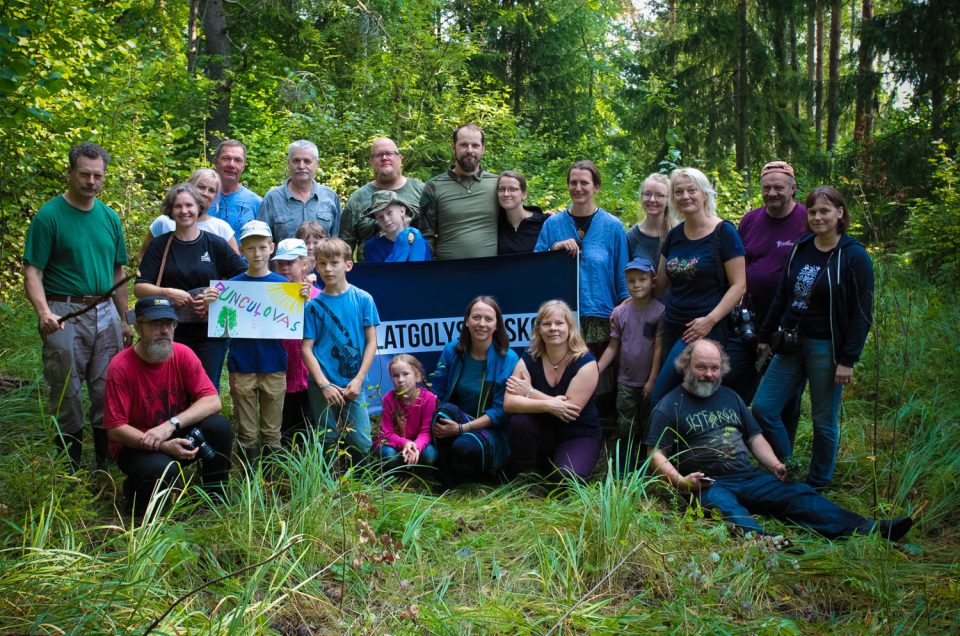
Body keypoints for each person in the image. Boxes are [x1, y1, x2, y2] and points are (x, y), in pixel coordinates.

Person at [647, 339, 912, 542]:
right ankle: (763, 542)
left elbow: (755, 437)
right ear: (686, 366)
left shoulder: (730, 396)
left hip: (748, 476)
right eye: (701, 367)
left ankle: (867, 529)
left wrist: (774, 465)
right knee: (724, 507)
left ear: (722, 369)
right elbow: (655, 453)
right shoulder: (670, 405)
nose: (708, 374)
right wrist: (682, 482)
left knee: (798, 494)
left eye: (714, 368)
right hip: (707, 482)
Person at [752, 186, 874, 490]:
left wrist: (848, 359)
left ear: (840, 213)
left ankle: (819, 483)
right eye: (814, 211)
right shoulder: (802, 246)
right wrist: (766, 335)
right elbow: (783, 295)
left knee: (823, 420)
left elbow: (862, 313)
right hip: (790, 343)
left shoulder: (854, 256)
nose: (818, 217)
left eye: (825, 211)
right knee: (763, 408)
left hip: (826, 348)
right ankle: (788, 466)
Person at [23, 142, 132, 470]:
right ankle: (68, 470)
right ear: (70, 172)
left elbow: (118, 271)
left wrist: (126, 319)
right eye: (84, 174)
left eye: (98, 176)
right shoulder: (49, 216)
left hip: (105, 311)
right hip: (64, 312)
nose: (91, 182)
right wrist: (44, 313)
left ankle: (105, 464)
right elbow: (33, 271)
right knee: (66, 389)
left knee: (106, 387)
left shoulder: (110, 217)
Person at [104, 296, 233, 515]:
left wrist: (171, 425)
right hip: (136, 444)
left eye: (169, 323)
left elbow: (213, 400)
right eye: (155, 324)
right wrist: (161, 444)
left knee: (218, 427)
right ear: (139, 327)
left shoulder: (183, 354)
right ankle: (138, 497)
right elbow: (115, 430)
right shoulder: (121, 367)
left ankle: (214, 496)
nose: (164, 330)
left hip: (172, 431)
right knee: (163, 470)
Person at [534, 160, 629, 414]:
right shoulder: (552, 225)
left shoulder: (612, 227)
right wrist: (554, 249)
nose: (578, 188)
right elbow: (534, 266)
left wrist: (622, 310)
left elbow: (622, 275)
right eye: (573, 182)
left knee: (598, 379)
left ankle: (598, 432)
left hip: (600, 314)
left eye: (584, 182)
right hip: (562, 316)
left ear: (596, 187)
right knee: (563, 374)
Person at [649, 167, 746, 405]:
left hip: (705, 327)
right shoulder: (674, 235)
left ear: (704, 194)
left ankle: (658, 442)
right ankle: (683, 442)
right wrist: (630, 298)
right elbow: (659, 284)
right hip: (673, 325)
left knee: (660, 395)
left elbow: (739, 285)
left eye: (692, 190)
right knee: (683, 394)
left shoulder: (724, 232)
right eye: (679, 191)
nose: (685, 196)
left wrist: (710, 321)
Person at [135, 183, 247, 390]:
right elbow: (140, 288)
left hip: (210, 332)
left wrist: (216, 295)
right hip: (169, 331)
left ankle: (204, 422)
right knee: (172, 385)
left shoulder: (215, 243)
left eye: (189, 205)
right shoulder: (160, 245)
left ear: (199, 208)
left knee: (206, 385)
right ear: (170, 209)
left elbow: (244, 278)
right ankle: (176, 423)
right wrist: (166, 293)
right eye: (178, 206)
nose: (184, 211)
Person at [205, 220, 289, 465]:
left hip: (274, 365)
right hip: (242, 365)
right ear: (241, 250)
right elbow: (221, 329)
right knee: (247, 432)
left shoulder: (283, 287)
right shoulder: (230, 289)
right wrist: (212, 303)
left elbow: (294, 325)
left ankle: (272, 481)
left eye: (262, 247)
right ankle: (248, 483)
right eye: (250, 248)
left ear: (271, 247)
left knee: (273, 431)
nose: (257, 253)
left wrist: (303, 300)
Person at [725, 160, 809, 404]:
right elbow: (738, 265)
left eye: (779, 187)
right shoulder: (750, 220)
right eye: (766, 188)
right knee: (732, 385)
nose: (772, 193)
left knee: (785, 402)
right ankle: (736, 439)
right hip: (749, 321)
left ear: (792, 188)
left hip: (790, 325)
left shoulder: (807, 220)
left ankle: (779, 443)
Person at [504, 300, 601, 481]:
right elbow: (509, 403)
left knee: (565, 479)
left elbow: (569, 411)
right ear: (539, 329)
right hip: (543, 434)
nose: (553, 328)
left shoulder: (586, 363)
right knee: (519, 421)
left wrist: (530, 392)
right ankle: (527, 475)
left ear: (570, 327)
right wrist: (549, 406)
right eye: (547, 324)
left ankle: (561, 465)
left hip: (577, 434)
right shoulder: (530, 358)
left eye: (559, 323)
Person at [302, 238, 381, 457]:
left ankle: (363, 488)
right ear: (316, 266)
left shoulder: (363, 299)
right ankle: (328, 487)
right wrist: (324, 384)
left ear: (348, 264)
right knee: (326, 438)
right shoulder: (312, 306)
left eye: (334, 262)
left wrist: (359, 379)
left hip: (353, 384)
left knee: (361, 441)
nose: (328, 268)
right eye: (322, 263)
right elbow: (306, 348)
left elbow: (371, 342)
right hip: (323, 383)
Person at [430, 296, 519, 486]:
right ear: (467, 321)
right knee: (441, 412)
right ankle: (445, 478)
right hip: (457, 418)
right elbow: (437, 391)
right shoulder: (451, 350)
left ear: (497, 325)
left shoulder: (508, 358)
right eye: (476, 317)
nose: (482, 324)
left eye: (489, 319)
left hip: (489, 429)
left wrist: (463, 428)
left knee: (465, 445)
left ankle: (483, 479)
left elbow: (501, 411)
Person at [597, 257, 665, 469]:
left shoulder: (659, 311)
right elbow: (612, 346)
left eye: (642, 279)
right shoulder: (620, 313)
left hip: (647, 382)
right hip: (625, 381)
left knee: (648, 423)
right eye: (631, 281)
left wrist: (653, 379)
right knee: (626, 424)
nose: (636, 284)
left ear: (653, 281)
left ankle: (648, 465)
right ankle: (625, 464)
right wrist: (596, 369)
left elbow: (658, 348)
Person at [419, 124, 499, 260]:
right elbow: (426, 236)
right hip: (448, 274)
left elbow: (518, 222)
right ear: (453, 147)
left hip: (492, 272)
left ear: (483, 149)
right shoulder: (433, 187)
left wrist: (544, 218)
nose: (469, 150)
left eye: (475, 145)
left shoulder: (499, 184)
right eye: (463, 145)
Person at [342, 137, 425, 261]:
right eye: (379, 155)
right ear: (371, 161)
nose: (384, 158)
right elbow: (344, 246)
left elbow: (434, 236)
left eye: (389, 153)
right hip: (371, 275)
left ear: (400, 158)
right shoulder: (357, 199)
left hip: (417, 272)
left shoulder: (421, 191)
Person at [272, 239, 321, 446]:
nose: (284, 267)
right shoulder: (270, 295)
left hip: (311, 374)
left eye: (290, 262)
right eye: (280, 262)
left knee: (311, 425)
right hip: (281, 371)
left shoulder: (319, 297)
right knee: (284, 426)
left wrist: (308, 301)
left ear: (304, 263)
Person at [137, 168, 239, 262]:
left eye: (211, 190)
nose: (205, 193)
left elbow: (235, 270)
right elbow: (141, 256)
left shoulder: (222, 228)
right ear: (189, 187)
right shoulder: (164, 222)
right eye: (201, 187)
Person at [258, 139, 342, 242]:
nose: (301, 166)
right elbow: (262, 243)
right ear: (288, 163)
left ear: (316, 164)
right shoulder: (272, 199)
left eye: (307, 161)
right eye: (296, 161)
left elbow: (337, 242)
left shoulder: (330, 197)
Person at [376, 354, 439, 469]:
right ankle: (397, 474)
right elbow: (387, 433)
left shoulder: (428, 398)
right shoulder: (388, 399)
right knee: (389, 455)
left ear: (417, 376)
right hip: (395, 444)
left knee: (430, 455)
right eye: (395, 376)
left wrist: (416, 447)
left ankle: (418, 471)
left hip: (419, 443)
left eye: (405, 374)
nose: (400, 380)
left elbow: (426, 432)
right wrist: (405, 443)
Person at [208, 139, 261, 235]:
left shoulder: (256, 202)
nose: (231, 165)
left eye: (238, 160)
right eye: (226, 158)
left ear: (244, 166)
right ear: (215, 161)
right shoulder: (199, 197)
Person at [362, 190, 431, 262]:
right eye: (380, 217)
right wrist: (399, 254)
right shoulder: (372, 247)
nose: (386, 219)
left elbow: (427, 272)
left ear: (402, 211)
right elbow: (377, 273)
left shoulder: (420, 242)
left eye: (389, 212)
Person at [627, 173, 676, 264]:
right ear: (641, 197)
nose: (652, 199)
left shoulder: (678, 233)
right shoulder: (631, 237)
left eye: (659, 195)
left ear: (669, 200)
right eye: (647, 194)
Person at [496, 170, 546, 255]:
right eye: (502, 189)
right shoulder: (495, 224)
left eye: (512, 189)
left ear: (524, 194)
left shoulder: (543, 222)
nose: (506, 194)